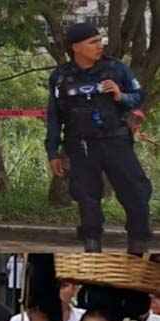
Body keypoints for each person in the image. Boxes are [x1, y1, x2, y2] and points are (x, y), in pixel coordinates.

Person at [46, 22, 152, 254]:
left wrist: (120, 95)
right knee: (87, 197)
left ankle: (138, 244)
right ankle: (92, 245)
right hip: (80, 145)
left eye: (99, 40)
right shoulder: (61, 77)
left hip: (116, 141)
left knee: (136, 192)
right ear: (76, 47)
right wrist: (53, 152)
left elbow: (138, 97)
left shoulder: (116, 69)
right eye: (92, 42)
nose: (99, 45)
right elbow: (54, 116)